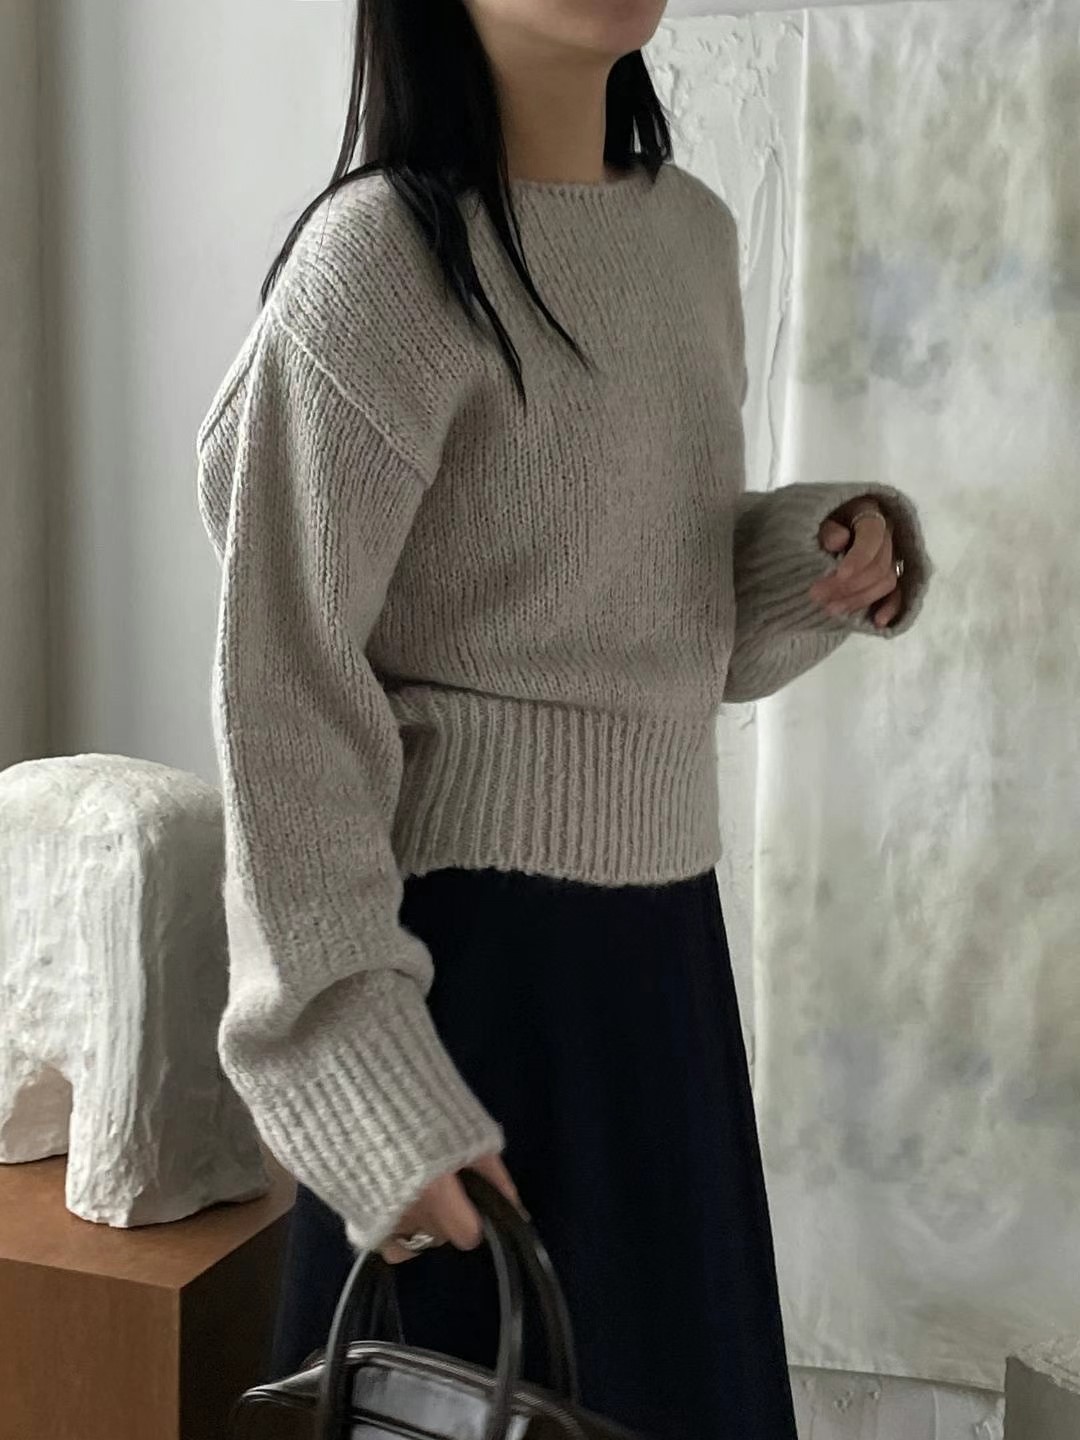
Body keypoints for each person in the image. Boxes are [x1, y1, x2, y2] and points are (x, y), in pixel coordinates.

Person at [196, 0, 931, 1433]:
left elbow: (647, 636)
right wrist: (360, 1081)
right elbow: (283, 704)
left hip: (660, 970)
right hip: (463, 984)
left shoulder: (690, 236)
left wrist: (815, 561)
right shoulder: (379, 264)